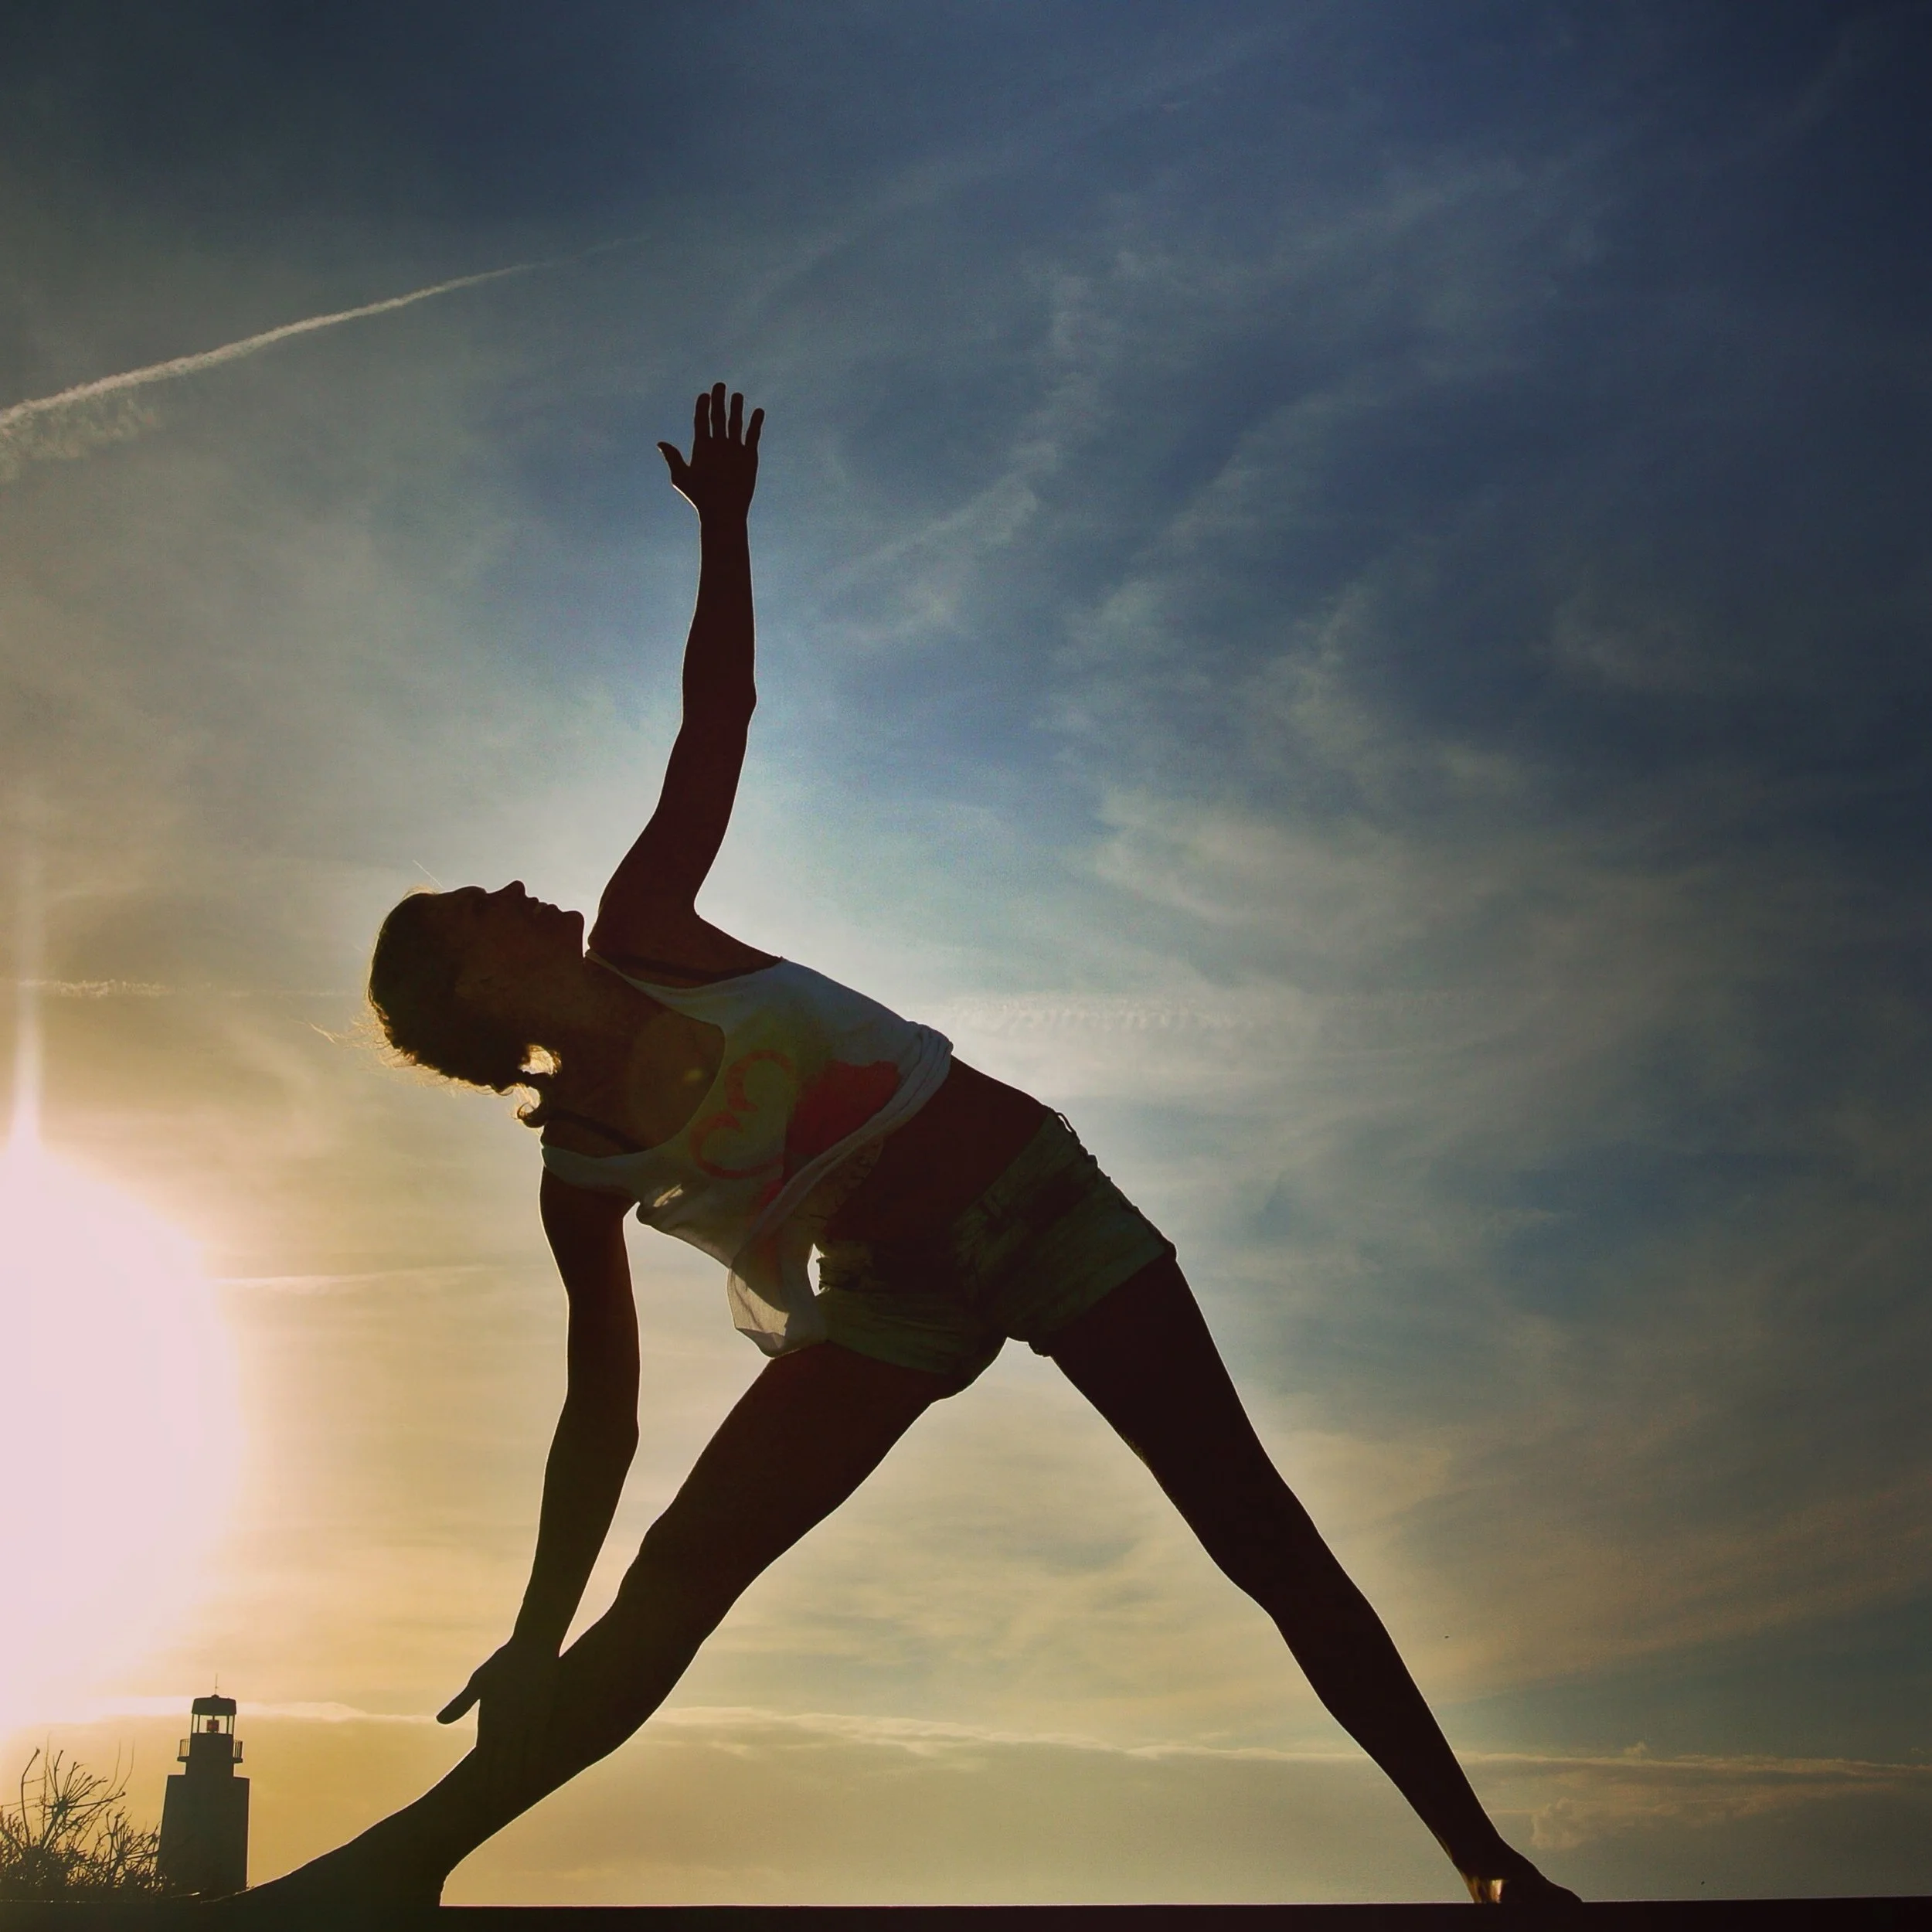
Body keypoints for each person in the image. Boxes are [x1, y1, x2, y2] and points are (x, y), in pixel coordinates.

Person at [258, 386, 1577, 1910]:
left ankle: (1485, 1863)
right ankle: (395, 1870)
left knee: (1254, 1529)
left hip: (1044, 1206)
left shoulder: (651, 926)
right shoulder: (585, 1173)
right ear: (474, 988)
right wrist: (537, 1628)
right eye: (475, 908)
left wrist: (726, 529)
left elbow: (717, 718)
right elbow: (598, 1419)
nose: (505, 887)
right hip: (891, 1297)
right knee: (679, 1571)